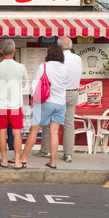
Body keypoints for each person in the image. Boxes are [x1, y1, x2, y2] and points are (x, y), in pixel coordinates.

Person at [11, 44, 67, 169]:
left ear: (49, 54)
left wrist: (33, 98)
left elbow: (35, 85)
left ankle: (23, 158)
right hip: (60, 103)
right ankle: (52, 161)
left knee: (34, 130)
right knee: (54, 132)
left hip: (45, 102)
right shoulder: (65, 68)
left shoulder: (44, 66)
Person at [34, 36, 82, 164]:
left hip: (57, 95)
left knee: (48, 124)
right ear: (70, 46)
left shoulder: (59, 60)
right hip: (73, 93)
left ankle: (45, 150)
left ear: (58, 47)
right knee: (69, 124)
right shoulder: (78, 58)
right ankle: (68, 154)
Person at [0, 39, 28, 170]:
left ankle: (4, 160)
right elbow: (23, 84)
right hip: (15, 104)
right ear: (14, 51)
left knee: (2, 131)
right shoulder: (21, 67)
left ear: (1, 51)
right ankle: (17, 161)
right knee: (16, 132)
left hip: (1, 104)